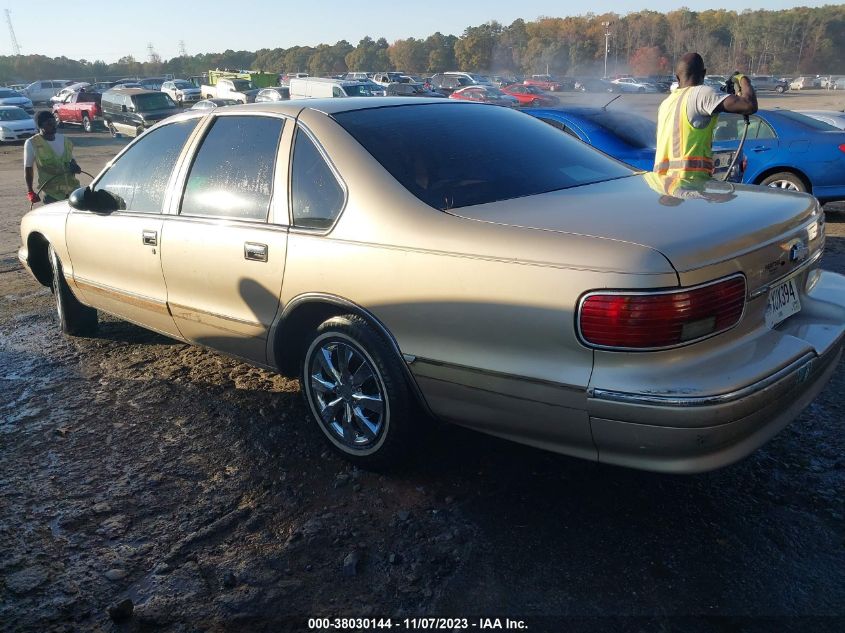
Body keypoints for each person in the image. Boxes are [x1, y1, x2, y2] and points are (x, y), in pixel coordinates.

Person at [654, 52, 757, 180]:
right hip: (689, 184)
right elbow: (749, 105)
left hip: (663, 185)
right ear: (703, 73)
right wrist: (743, 79)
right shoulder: (702, 93)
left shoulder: (666, 103)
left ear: (677, 77)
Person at [24, 110, 82, 205]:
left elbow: (72, 160)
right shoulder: (32, 143)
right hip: (52, 195)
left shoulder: (64, 139)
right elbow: (28, 168)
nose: (53, 125)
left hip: (73, 191)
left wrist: (75, 167)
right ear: (40, 126)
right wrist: (30, 191)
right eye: (49, 123)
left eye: (54, 122)